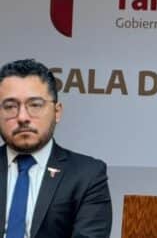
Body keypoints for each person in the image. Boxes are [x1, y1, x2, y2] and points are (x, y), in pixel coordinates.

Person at [0, 59, 112, 238]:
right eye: (10, 107)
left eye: (35, 105)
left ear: (57, 112)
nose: (22, 117)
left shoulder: (87, 175)